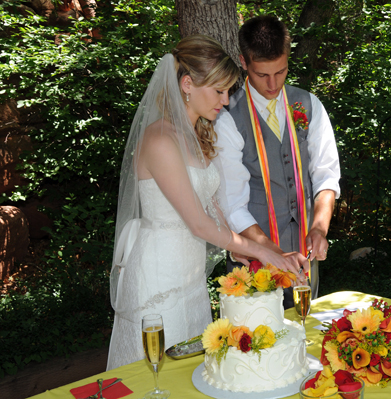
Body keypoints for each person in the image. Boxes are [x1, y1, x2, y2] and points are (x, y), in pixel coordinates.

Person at [106, 35, 306, 370]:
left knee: (191, 371)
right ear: (187, 84)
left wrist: (240, 248)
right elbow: (198, 223)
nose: (226, 101)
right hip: (158, 277)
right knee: (154, 372)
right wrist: (261, 250)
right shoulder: (159, 139)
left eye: (228, 91)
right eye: (219, 91)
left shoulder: (198, 134)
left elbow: (214, 211)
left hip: (191, 276)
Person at [214, 16, 341, 308]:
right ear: (244, 63)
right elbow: (232, 204)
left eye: (281, 72)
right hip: (253, 259)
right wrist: (273, 254)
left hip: (303, 256)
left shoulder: (310, 105)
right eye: (262, 75)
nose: (273, 84)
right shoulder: (226, 118)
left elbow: (325, 176)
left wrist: (319, 228)